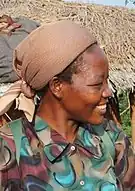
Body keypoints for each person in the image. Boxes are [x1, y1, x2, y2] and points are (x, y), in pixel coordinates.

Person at [0, 20, 134, 191]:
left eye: (107, 82)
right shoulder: (10, 147)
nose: (108, 92)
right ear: (57, 86)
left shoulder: (112, 138)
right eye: (97, 84)